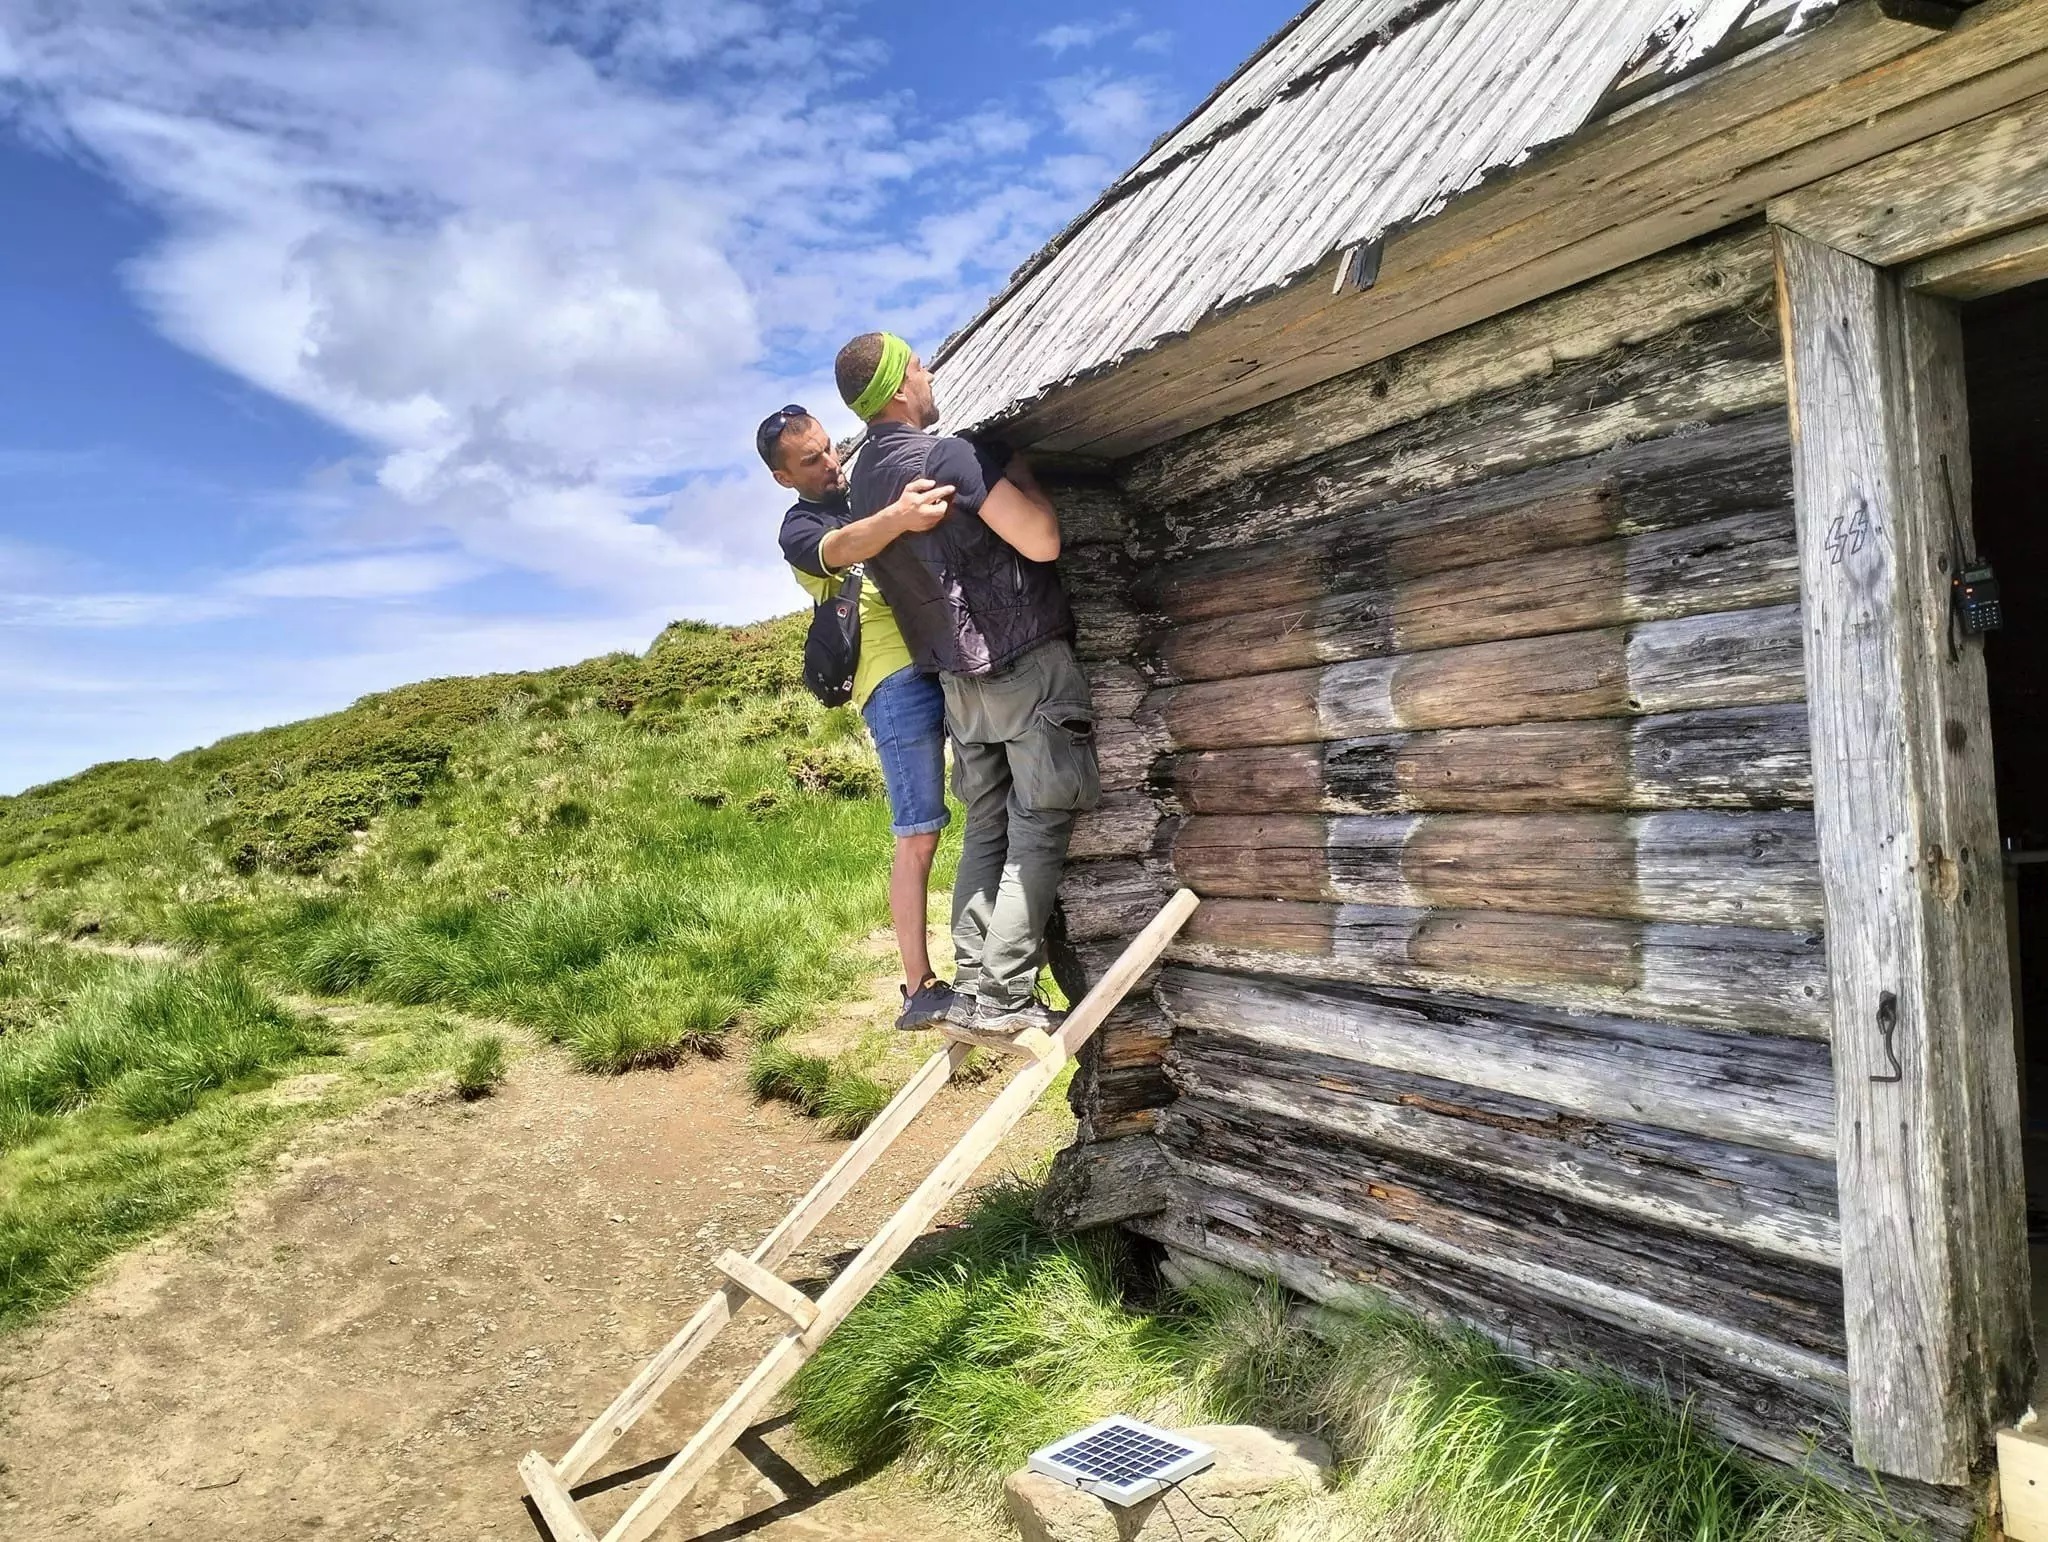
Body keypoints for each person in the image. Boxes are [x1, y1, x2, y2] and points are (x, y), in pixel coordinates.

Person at [832, 333, 1100, 1037]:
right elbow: (1041, 540)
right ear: (896, 386)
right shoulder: (948, 457)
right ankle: (1005, 999)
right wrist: (1023, 474)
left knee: (986, 826)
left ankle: (976, 988)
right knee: (1039, 824)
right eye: (919, 364)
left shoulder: (861, 489)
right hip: (1027, 663)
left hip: (957, 683)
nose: (929, 374)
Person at [758, 403, 959, 1029]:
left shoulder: (857, 478)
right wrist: (898, 515)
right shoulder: (799, 528)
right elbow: (845, 545)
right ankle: (919, 986)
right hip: (891, 681)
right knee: (919, 829)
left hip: (944, 655)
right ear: (783, 477)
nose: (830, 463)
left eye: (827, 448)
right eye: (811, 460)